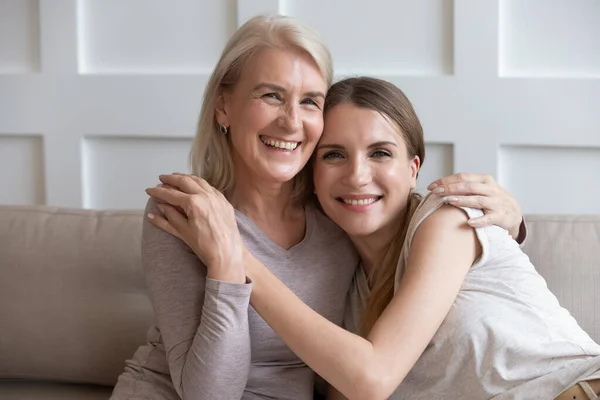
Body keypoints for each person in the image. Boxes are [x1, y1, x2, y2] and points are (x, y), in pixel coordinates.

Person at [116, 14, 524, 400]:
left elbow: (417, 246)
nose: (292, 122)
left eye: (310, 101)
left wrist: (513, 222)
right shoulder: (186, 214)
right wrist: (225, 265)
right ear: (224, 106)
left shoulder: (338, 213)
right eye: (272, 95)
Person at [148, 77, 600, 400]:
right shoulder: (341, 285)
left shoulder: (446, 221)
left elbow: (373, 378)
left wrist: (234, 256)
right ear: (313, 173)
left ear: (413, 168)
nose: (358, 176)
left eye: (380, 153)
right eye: (335, 155)